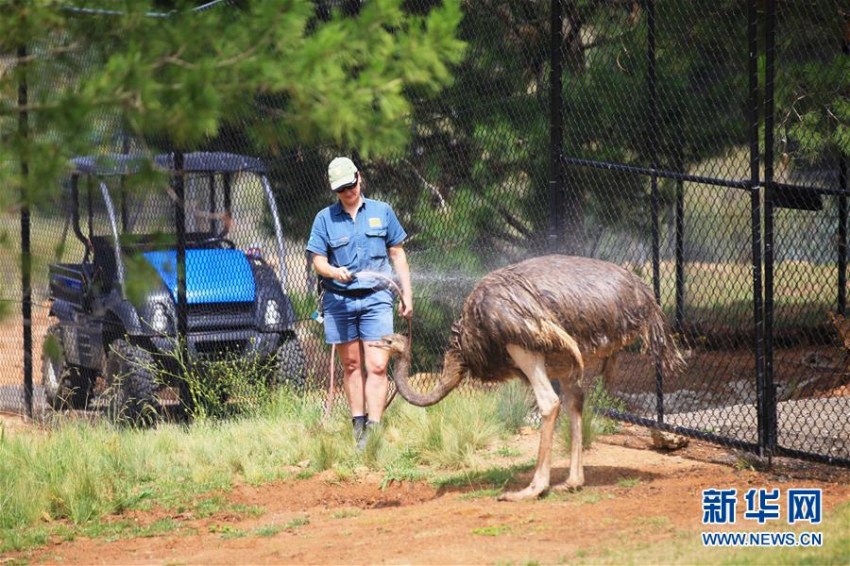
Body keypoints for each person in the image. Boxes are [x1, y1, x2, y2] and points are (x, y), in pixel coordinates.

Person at [306, 157, 413, 449]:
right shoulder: (324, 219)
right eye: (341, 189)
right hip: (339, 301)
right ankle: (359, 427)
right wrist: (333, 272)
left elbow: (398, 255)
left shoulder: (382, 211)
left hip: (377, 299)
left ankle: (374, 430)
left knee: (378, 366)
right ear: (335, 191)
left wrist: (407, 295)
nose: (348, 192)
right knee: (351, 365)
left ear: (359, 178)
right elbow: (318, 261)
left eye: (351, 185)